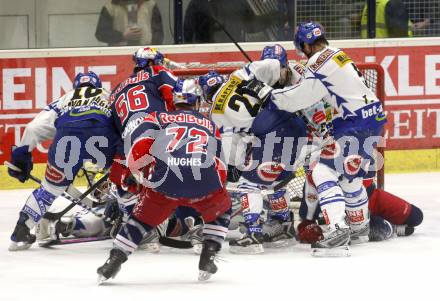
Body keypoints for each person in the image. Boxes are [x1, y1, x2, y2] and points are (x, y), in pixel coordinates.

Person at [241, 22, 386, 256]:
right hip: (373, 118)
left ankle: (337, 230)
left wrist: (266, 92)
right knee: (350, 176)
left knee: (322, 172)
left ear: (305, 45)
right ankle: (359, 228)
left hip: (354, 123)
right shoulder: (337, 54)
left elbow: (299, 98)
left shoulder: (317, 62)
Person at [96, 83, 231, 283]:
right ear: (197, 101)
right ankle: (209, 253)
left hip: (166, 184)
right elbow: (220, 162)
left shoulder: (159, 117)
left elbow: (141, 145)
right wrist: (216, 188)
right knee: (223, 211)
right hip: (203, 181)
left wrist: (134, 172)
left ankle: (113, 261)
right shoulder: (210, 124)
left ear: (175, 100)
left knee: (140, 221)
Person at [7, 71, 119, 251]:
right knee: (123, 175)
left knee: (50, 188)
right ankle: (133, 225)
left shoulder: (64, 99)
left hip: (67, 138)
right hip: (103, 139)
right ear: (98, 85)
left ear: (75, 87)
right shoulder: (109, 96)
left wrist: (20, 158)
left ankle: (20, 233)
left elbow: (33, 128)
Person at [95, 0, 163, 46]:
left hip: (145, 54)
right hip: (119, 55)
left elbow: (158, 34)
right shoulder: (110, 6)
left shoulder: (150, 4)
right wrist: (122, 36)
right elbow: (101, 34)